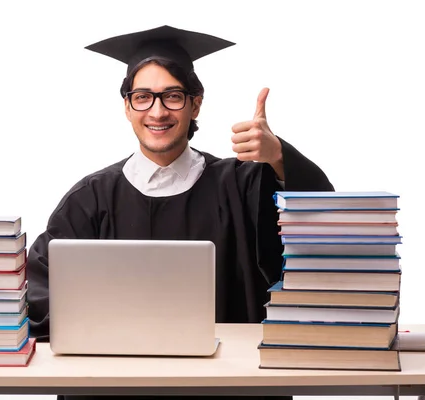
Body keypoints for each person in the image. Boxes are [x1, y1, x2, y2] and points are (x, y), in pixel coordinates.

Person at [26, 25, 334, 400]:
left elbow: (321, 222)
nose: (157, 111)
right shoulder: (91, 199)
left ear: (195, 103)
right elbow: (39, 287)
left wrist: (280, 158)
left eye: (172, 96)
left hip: (227, 387)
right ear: (127, 107)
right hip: (116, 385)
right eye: (143, 97)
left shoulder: (241, 184)